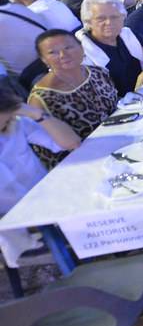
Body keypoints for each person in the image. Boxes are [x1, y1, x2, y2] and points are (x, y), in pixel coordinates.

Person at [0, 85, 82, 263]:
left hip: (54, 206)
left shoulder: (14, 124)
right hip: (21, 234)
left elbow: (71, 142)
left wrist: (34, 113)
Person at [27, 29, 118, 167]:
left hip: (120, 139)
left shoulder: (97, 72)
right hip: (88, 162)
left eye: (68, 47)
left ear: (81, 47)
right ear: (44, 60)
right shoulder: (40, 100)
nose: (63, 55)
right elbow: (51, 154)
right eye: (53, 52)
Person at [77, 0, 143, 96]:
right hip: (117, 107)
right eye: (101, 19)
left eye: (114, 17)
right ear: (88, 22)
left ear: (123, 18)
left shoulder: (127, 34)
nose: (109, 22)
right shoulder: (80, 50)